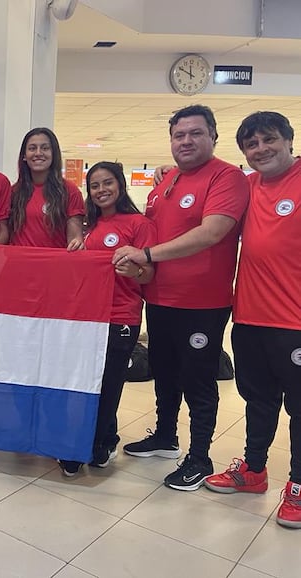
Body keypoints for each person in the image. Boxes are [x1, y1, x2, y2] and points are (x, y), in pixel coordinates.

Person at [113, 104, 250, 491]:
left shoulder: (226, 177)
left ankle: (200, 456)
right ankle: (166, 436)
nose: (186, 140)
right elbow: (148, 231)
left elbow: (212, 233)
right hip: (160, 299)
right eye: (179, 135)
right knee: (165, 372)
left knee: (199, 380)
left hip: (202, 304)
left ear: (213, 136)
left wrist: (148, 255)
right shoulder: (164, 183)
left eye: (195, 133)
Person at [202, 111, 301, 528]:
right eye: (252, 144)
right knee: (258, 401)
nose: (261, 149)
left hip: (295, 321)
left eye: (269, 140)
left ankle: (298, 486)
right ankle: (254, 471)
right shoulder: (248, 185)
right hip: (249, 319)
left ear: (289, 140)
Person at [57, 162, 156, 476]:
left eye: (107, 183)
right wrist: (77, 252)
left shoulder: (139, 223)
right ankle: (101, 439)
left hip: (121, 316)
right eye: (95, 185)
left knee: (109, 384)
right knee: (87, 381)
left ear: (121, 185)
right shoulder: (90, 226)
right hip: (90, 317)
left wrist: (137, 271)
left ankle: (93, 446)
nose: (101, 190)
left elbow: (152, 273)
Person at [9, 127, 85, 250]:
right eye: (32, 148)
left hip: (54, 266)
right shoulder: (13, 192)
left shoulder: (70, 191)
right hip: (18, 265)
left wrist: (77, 244)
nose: (38, 153)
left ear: (53, 154)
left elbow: (74, 240)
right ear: (24, 155)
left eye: (45, 148)